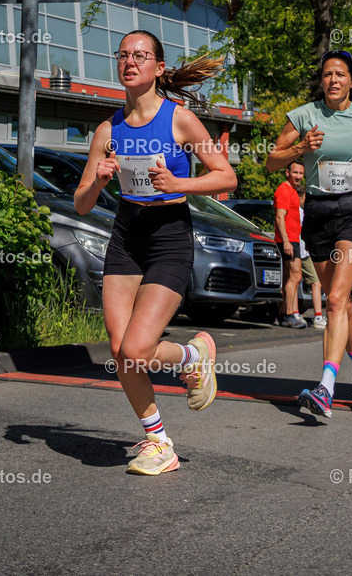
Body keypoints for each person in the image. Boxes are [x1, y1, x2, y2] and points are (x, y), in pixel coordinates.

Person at [75, 30, 237, 475]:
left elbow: (226, 178)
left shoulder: (180, 120)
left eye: (140, 55)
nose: (130, 62)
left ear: (158, 68)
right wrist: (101, 178)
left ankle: (193, 357)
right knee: (120, 349)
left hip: (169, 235)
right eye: (123, 55)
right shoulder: (107, 130)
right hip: (127, 236)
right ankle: (159, 442)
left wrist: (180, 184)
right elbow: (81, 202)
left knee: (138, 347)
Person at [265, 49, 352, 418]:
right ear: (321, 80)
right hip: (318, 213)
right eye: (327, 74)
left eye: (340, 74)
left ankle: (325, 387)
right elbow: (271, 159)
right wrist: (299, 148)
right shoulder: (304, 116)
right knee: (344, 304)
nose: (333, 80)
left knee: (336, 299)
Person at [274, 161, 307, 328]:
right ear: (287, 172)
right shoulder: (284, 190)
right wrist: (286, 241)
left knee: (289, 276)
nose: (298, 176)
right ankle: (289, 314)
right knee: (296, 275)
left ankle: (282, 314)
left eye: (301, 173)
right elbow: (280, 217)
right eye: (295, 173)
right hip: (288, 240)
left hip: (292, 239)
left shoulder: (293, 190)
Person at [299, 190, 326, 329]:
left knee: (292, 281)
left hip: (301, 251)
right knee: (316, 283)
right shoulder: (301, 212)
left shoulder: (302, 211)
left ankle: (291, 313)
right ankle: (318, 316)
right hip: (303, 252)